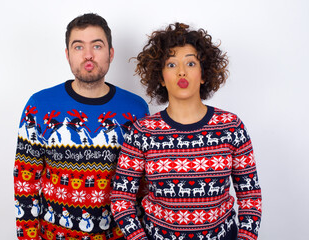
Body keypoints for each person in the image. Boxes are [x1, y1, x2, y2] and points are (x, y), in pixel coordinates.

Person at [110, 23, 262, 240]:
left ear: (203, 74)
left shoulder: (231, 127)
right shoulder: (142, 132)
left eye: (190, 63)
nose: (181, 71)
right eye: (171, 64)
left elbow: (250, 196)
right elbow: (121, 198)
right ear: (160, 78)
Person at [14, 13, 149, 240]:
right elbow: (25, 183)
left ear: (111, 53)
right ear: (67, 55)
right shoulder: (39, 106)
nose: (88, 55)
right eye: (78, 47)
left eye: (97, 45)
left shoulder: (136, 108)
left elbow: (145, 185)